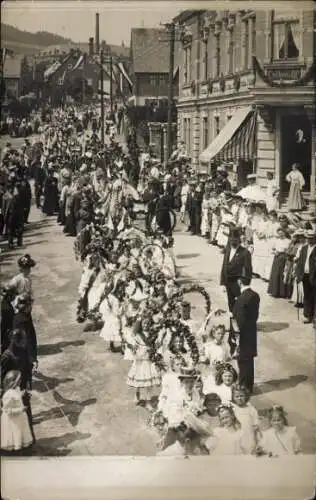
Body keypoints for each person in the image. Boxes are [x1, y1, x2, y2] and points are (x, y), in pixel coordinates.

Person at [232, 276, 260, 394]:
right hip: (251, 331)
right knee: (249, 360)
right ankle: (249, 385)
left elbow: (239, 320)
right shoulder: (255, 295)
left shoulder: (241, 299)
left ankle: (244, 387)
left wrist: (237, 335)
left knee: (243, 361)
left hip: (242, 334)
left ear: (239, 282)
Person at [220, 228, 253, 313]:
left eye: (235, 240)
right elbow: (224, 266)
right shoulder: (228, 250)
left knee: (240, 305)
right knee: (231, 304)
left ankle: (241, 323)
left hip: (238, 283)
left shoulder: (245, 252)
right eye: (231, 239)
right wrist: (222, 282)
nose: (233, 242)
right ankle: (233, 323)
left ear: (239, 240)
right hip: (228, 282)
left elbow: (248, 269)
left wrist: (244, 283)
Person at [1, 370, 33, 452]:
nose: (20, 381)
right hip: (13, 419)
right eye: (19, 380)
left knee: (19, 432)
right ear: (13, 382)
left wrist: (22, 394)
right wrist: (20, 409)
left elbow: (17, 397)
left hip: (19, 418)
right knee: (15, 433)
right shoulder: (8, 394)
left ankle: (20, 447)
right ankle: (15, 450)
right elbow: (7, 410)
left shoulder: (16, 389)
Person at [295, 229, 316, 324]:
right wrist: (297, 275)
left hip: (314, 276)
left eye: (312, 238)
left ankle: (314, 317)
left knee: (314, 296)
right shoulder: (304, 248)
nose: (309, 240)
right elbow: (300, 263)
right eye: (308, 238)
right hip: (305, 275)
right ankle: (308, 316)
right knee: (307, 296)